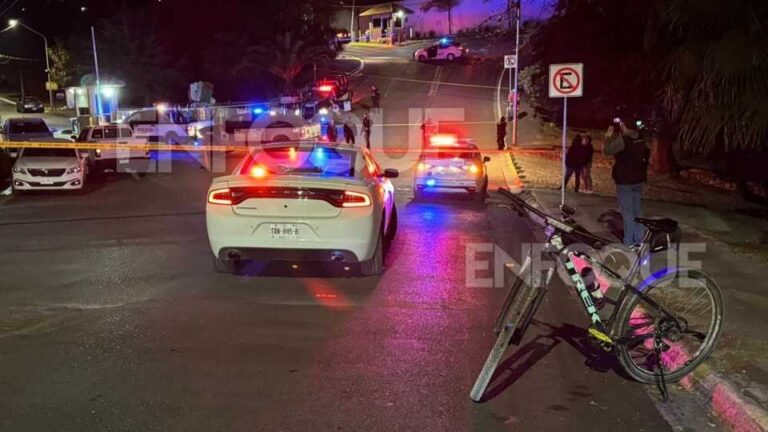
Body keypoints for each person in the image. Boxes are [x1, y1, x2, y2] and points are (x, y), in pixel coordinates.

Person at [603, 120, 651, 246]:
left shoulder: (623, 140)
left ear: (623, 125)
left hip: (625, 180)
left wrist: (607, 138)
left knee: (627, 212)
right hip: (638, 179)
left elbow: (607, 151)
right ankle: (639, 240)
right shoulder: (640, 138)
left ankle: (628, 243)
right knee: (637, 210)